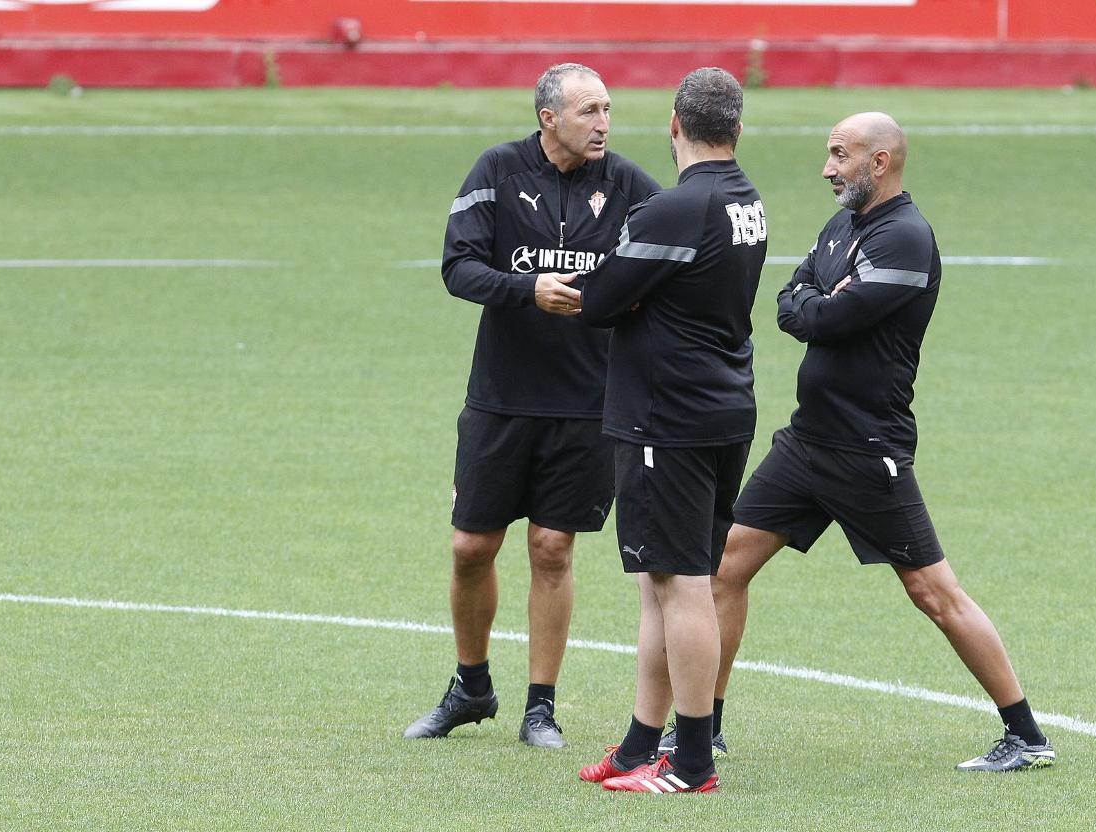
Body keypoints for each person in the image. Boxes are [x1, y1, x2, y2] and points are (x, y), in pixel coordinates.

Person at [675, 111, 1055, 773]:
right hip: (806, 443)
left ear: (878, 162)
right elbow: (790, 302)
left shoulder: (906, 238)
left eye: (839, 155)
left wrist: (820, 302)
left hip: (864, 447)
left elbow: (832, 315)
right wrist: (816, 300)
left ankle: (1025, 734)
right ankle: (706, 729)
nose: (827, 168)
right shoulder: (842, 228)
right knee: (725, 566)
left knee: (933, 591)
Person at [403, 64, 659, 749]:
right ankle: (470, 686)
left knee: (552, 549)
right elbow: (458, 266)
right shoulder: (497, 169)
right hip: (500, 399)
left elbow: (671, 267)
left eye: (607, 108)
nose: (603, 122)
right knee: (470, 546)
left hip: (586, 402)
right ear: (549, 117)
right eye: (588, 111)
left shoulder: (632, 186)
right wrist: (527, 288)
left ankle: (539, 707)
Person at [575, 67, 767, 794]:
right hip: (722, 408)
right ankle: (637, 746)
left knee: (683, 583)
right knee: (662, 580)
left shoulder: (674, 209)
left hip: (666, 416)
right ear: (738, 130)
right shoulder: (746, 199)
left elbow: (601, 302)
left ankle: (690, 763)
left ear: (674, 126)